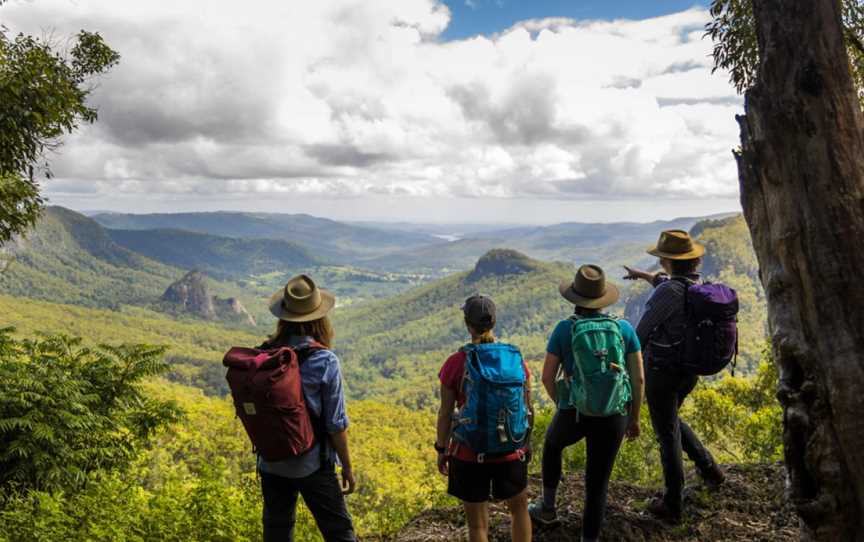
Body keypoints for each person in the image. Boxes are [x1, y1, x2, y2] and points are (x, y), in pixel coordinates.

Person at [528, 264, 644, 542]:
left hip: (574, 412)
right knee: (597, 483)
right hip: (614, 412)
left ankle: (548, 507)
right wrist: (634, 417)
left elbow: (546, 377)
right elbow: (638, 378)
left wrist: (563, 403)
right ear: (603, 299)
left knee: (553, 446)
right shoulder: (624, 329)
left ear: (575, 298)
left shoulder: (564, 329)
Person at [623, 230, 726, 523]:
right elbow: (666, 283)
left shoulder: (668, 292)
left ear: (667, 260)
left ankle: (673, 505)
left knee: (666, 433)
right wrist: (643, 275)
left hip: (663, 372)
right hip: (689, 371)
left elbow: (639, 335)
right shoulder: (698, 285)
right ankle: (709, 469)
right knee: (671, 420)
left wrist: (621, 363)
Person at [256, 274, 357, 542]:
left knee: (277, 532)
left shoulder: (264, 356)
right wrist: (347, 467)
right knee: (339, 533)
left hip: (271, 461)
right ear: (319, 318)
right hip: (313, 462)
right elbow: (336, 424)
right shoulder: (325, 361)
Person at [435, 295, 533, 542]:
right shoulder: (514, 357)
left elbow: (445, 412)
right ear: (494, 322)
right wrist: (525, 442)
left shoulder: (457, 362)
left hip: (470, 453)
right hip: (511, 449)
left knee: (477, 525)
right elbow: (526, 405)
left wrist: (441, 448)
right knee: (519, 511)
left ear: (467, 324)